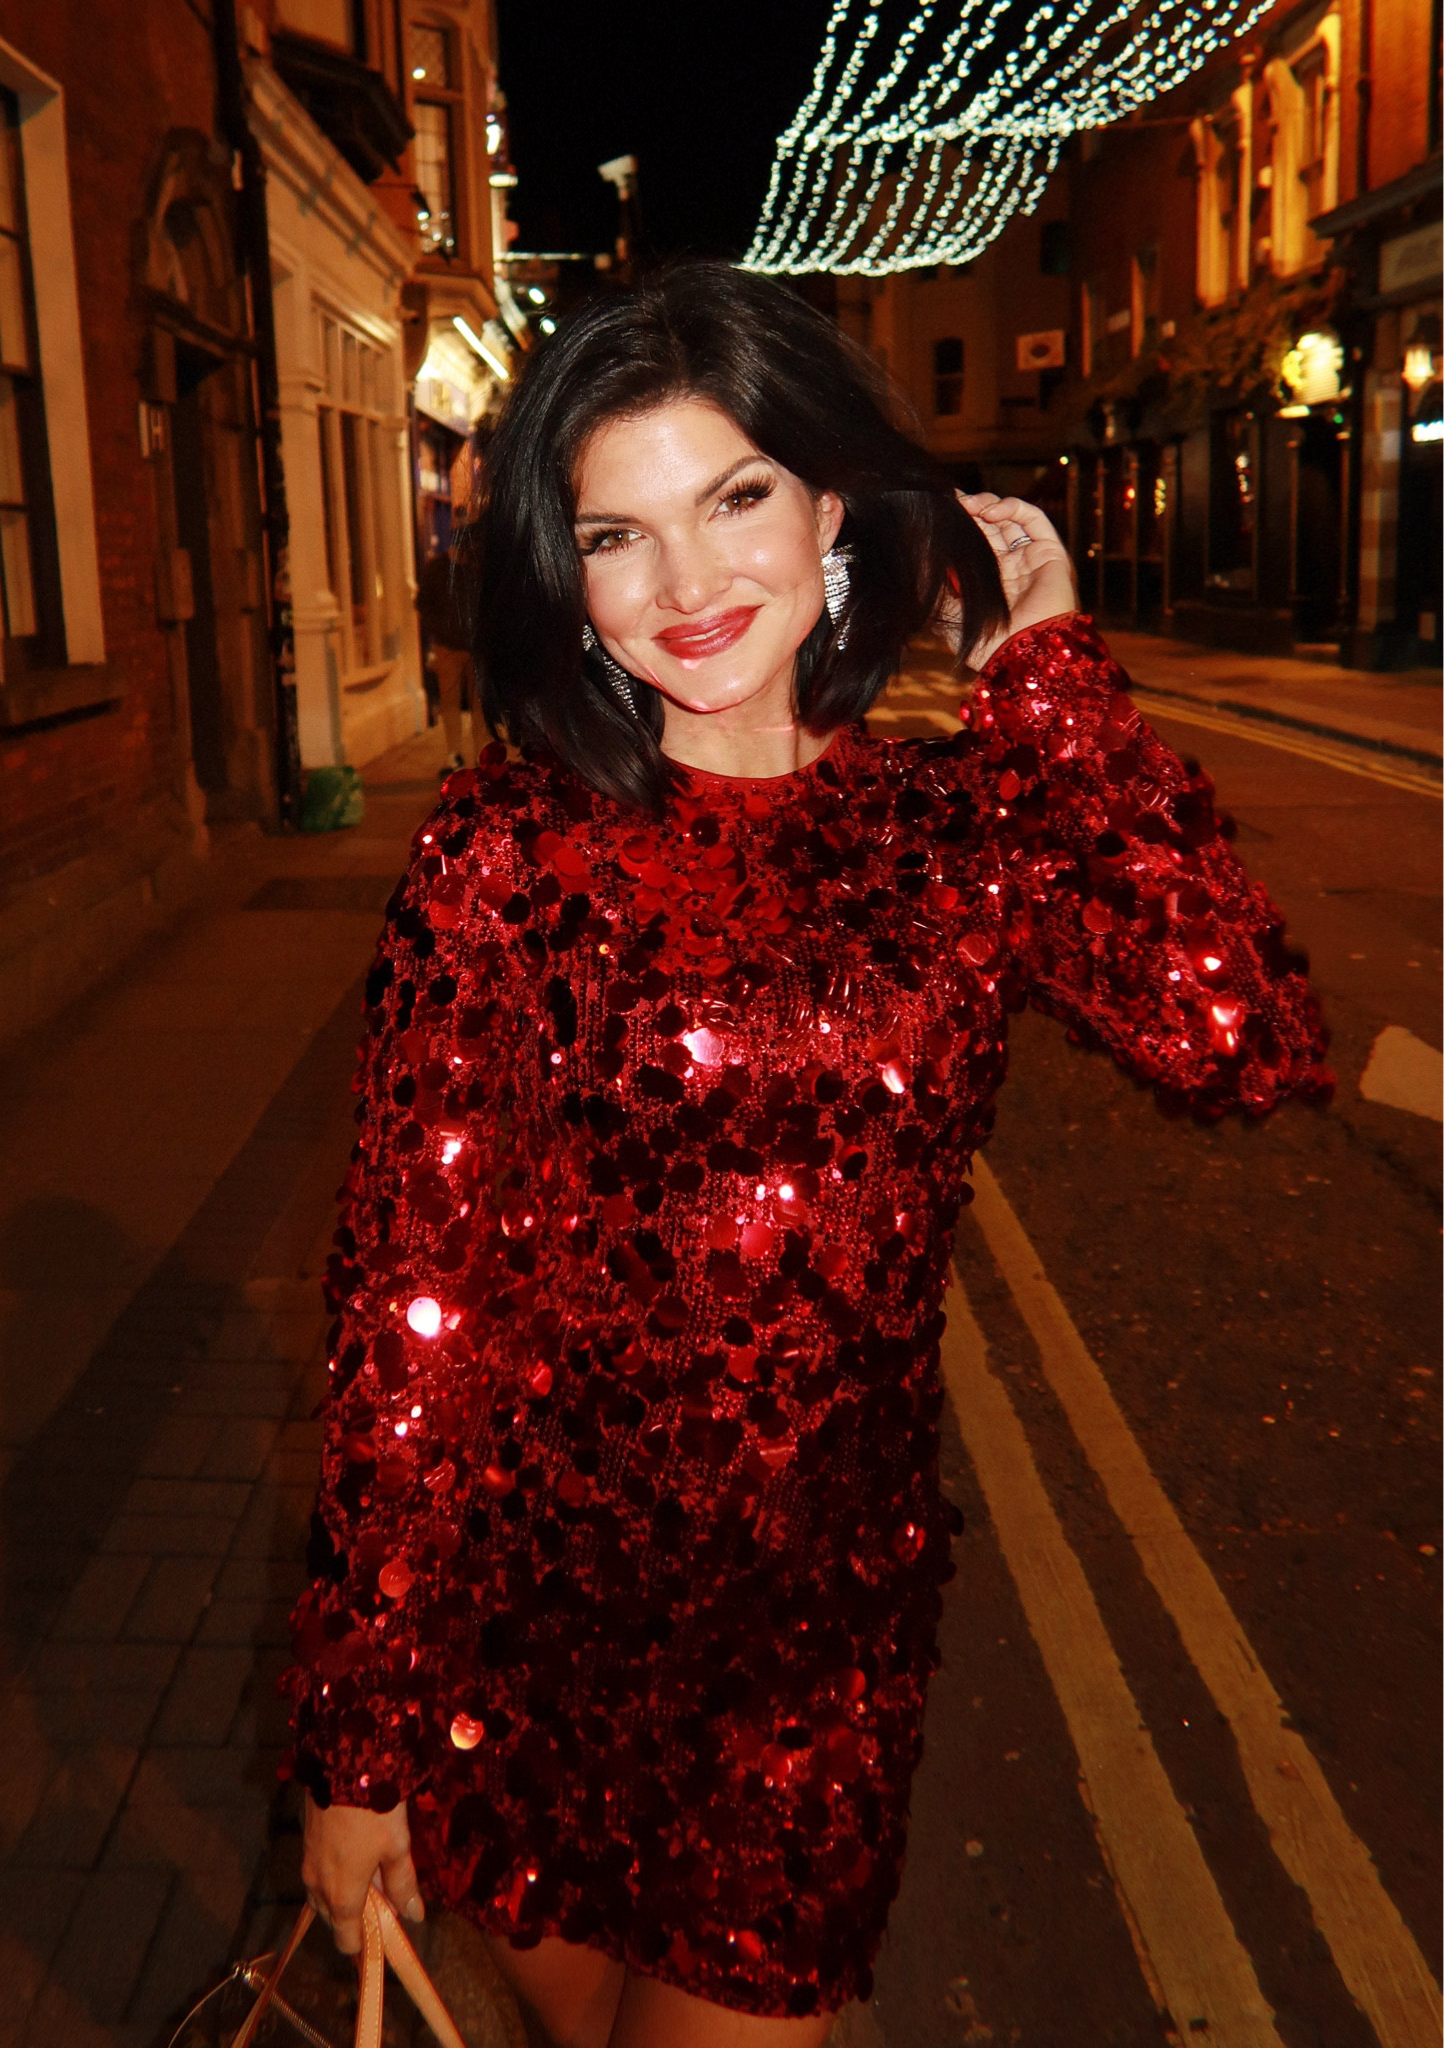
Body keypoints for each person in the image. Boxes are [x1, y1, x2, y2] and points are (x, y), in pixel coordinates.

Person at [286, 261, 1328, 2047]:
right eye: (615, 536)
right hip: (519, 1649)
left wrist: (1050, 682)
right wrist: (356, 1738)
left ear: (830, 500)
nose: (685, 588)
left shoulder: (945, 833)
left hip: (803, 1669)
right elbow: (412, 1306)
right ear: (563, 568)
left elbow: (1237, 1030)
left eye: (734, 498)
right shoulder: (501, 855)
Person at [416, 529, 476, 775]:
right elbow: (423, 604)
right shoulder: (437, 569)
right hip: (447, 647)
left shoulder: (477, 568)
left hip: (475, 648)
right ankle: (454, 755)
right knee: (449, 702)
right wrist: (439, 630)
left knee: (479, 704)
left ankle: (482, 754)